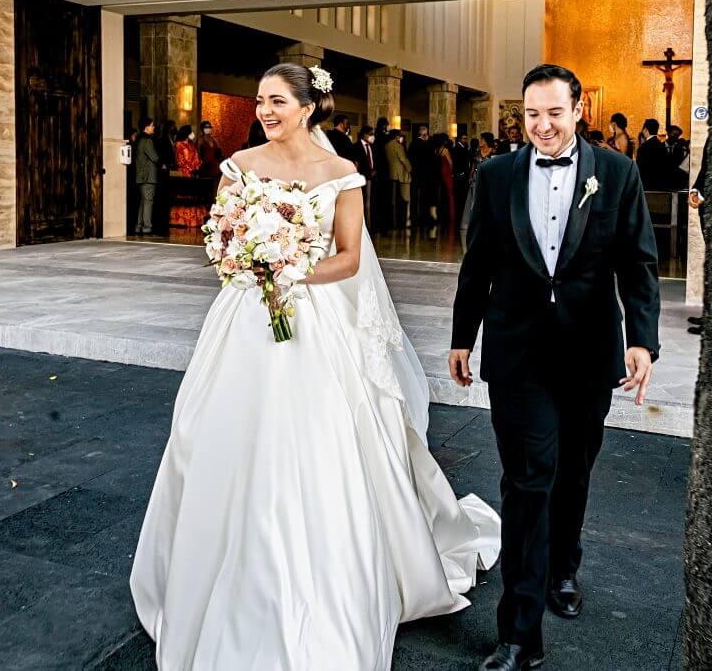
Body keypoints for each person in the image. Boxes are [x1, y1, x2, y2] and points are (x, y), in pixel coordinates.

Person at [130, 63, 499, 670]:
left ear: (307, 107)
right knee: (222, 434)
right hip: (246, 319)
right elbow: (222, 243)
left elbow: (350, 259)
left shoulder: (342, 176)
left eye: (277, 101)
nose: (265, 111)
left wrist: (290, 268)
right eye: (259, 101)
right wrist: (246, 257)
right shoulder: (238, 167)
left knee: (317, 444)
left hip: (312, 321)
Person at [450, 64, 660, 671]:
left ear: (577, 112)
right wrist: (464, 337)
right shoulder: (494, 174)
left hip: (590, 352)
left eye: (554, 113)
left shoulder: (617, 174)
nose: (541, 126)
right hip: (517, 353)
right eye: (531, 114)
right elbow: (477, 262)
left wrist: (642, 340)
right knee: (526, 481)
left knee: (572, 472)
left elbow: (638, 265)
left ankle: (563, 565)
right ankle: (519, 635)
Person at [687, 140, 708, 335]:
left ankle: (709, 317)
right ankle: (707, 314)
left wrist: (701, 193)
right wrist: (695, 190)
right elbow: (705, 167)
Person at [460, 131, 496, 241]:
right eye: (480, 139)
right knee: (473, 201)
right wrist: (470, 176)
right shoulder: (477, 151)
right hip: (476, 178)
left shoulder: (493, 151)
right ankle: (472, 223)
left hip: (488, 180)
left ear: (487, 141)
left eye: (482, 139)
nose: (480, 141)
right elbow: (473, 165)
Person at [134, 117, 162, 236]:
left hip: (141, 175)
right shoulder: (147, 141)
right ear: (146, 127)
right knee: (148, 201)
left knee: (143, 201)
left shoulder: (139, 140)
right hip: (148, 176)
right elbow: (155, 157)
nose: (153, 127)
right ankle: (147, 227)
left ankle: (139, 226)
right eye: (152, 125)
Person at [407, 124, 434, 229]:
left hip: (415, 174)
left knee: (414, 197)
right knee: (424, 197)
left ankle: (413, 219)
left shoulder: (412, 144)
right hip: (425, 175)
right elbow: (431, 157)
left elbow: (409, 157)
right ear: (424, 133)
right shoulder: (427, 145)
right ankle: (424, 218)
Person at [385, 128, 412, 230]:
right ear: (396, 136)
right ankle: (401, 222)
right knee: (403, 199)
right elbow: (403, 159)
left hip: (391, 173)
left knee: (393, 199)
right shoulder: (398, 146)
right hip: (401, 174)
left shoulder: (387, 145)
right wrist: (410, 168)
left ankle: (393, 222)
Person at [352, 124, 377, 229]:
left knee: (369, 204)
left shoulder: (372, 147)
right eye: (371, 134)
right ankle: (361, 225)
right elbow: (356, 164)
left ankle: (369, 225)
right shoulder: (356, 146)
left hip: (371, 178)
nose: (372, 136)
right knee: (361, 203)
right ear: (364, 134)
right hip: (361, 178)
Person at [372, 117, 392, 232]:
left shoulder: (376, 136)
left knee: (378, 199)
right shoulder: (383, 136)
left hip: (378, 170)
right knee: (383, 198)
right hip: (382, 170)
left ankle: (378, 223)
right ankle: (383, 224)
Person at [635, 118, 668, 190]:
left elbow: (639, 168)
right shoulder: (661, 145)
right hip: (660, 185)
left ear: (645, 129)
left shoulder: (643, 147)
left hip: (646, 185)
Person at [453, 133, 472, 224]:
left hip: (462, 175)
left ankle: (461, 215)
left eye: (466, 138)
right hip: (460, 175)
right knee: (460, 195)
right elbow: (457, 162)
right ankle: (459, 215)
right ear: (460, 139)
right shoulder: (457, 149)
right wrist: (461, 173)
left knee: (462, 195)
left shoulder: (463, 148)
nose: (465, 140)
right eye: (464, 138)